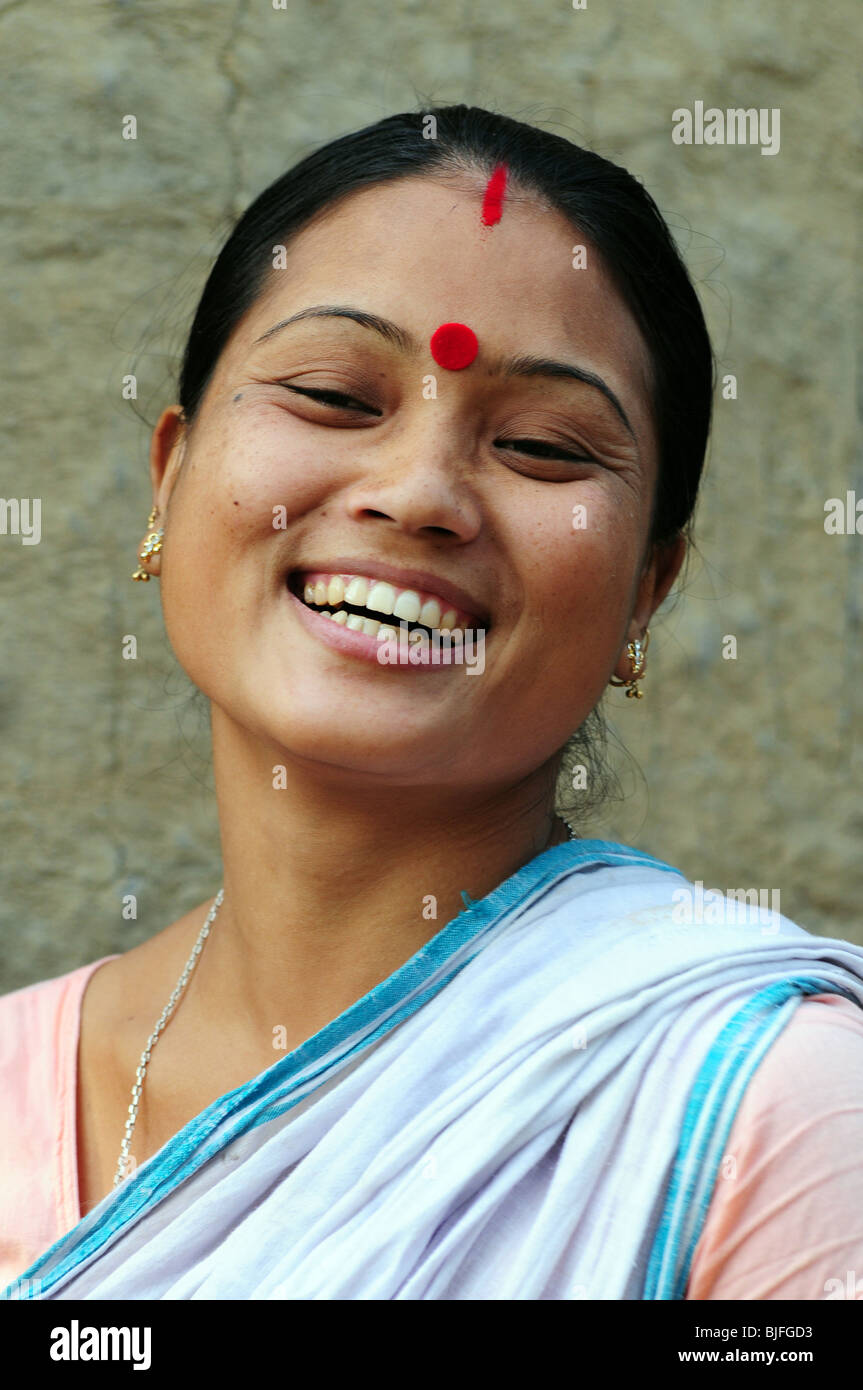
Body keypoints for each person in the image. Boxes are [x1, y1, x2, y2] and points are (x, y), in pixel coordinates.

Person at [2, 104, 862, 1300]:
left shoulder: (762, 1103)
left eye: (545, 449)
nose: (418, 494)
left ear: (645, 593)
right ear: (171, 476)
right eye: (334, 396)